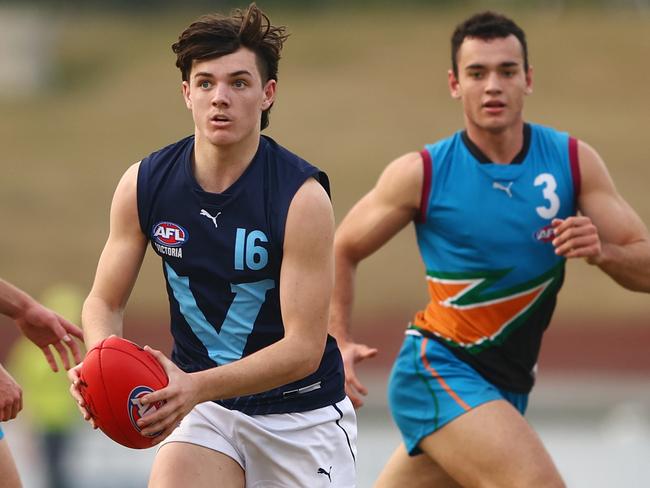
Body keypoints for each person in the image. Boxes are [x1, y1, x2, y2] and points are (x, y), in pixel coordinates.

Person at [328, 11, 650, 488]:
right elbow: (342, 247)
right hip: (437, 371)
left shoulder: (573, 162)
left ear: (528, 79)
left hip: (505, 386)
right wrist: (336, 339)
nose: (492, 85)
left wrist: (604, 252)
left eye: (506, 71)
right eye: (477, 73)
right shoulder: (422, 173)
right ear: (456, 84)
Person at [68, 4, 356, 487]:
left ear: (268, 94)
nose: (220, 97)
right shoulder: (145, 184)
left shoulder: (300, 197)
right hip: (208, 413)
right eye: (205, 83)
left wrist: (192, 387)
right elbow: (104, 301)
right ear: (186, 93)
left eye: (238, 83)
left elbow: (304, 348)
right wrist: (101, 364)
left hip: (300, 415)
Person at [0, 278, 83, 488]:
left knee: (58, 473)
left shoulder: (70, 351)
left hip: (63, 423)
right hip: (43, 424)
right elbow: (22, 386)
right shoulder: (32, 351)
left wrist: (23, 308)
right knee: (55, 474)